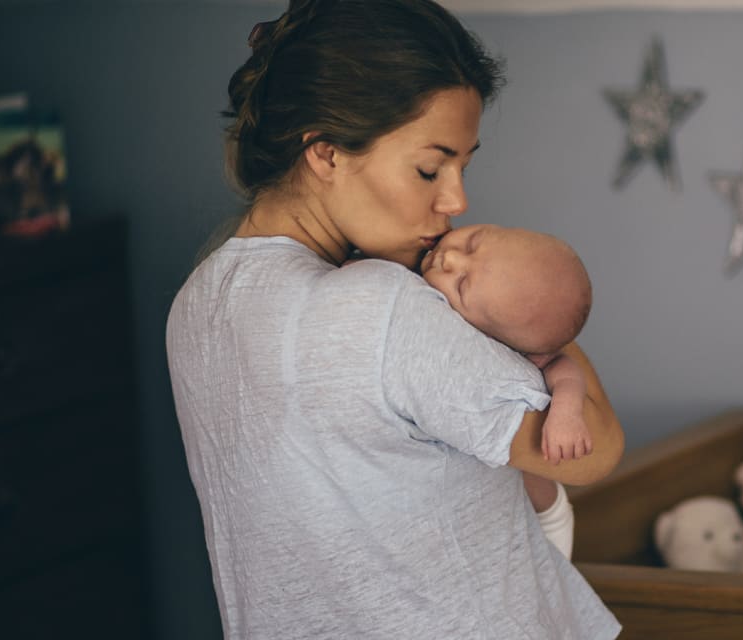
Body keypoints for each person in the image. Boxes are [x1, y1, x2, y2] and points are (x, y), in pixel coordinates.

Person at [164, 1, 625, 638]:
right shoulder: (384, 306)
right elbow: (591, 452)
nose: (457, 200)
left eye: (464, 166)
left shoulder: (197, 303)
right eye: (430, 168)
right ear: (324, 152)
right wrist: (542, 322)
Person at [418, 223, 597, 557]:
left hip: (544, 511)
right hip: (474, 500)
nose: (450, 258)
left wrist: (566, 413)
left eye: (461, 285)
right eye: (472, 243)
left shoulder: (514, 350)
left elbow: (564, 370)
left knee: (551, 574)